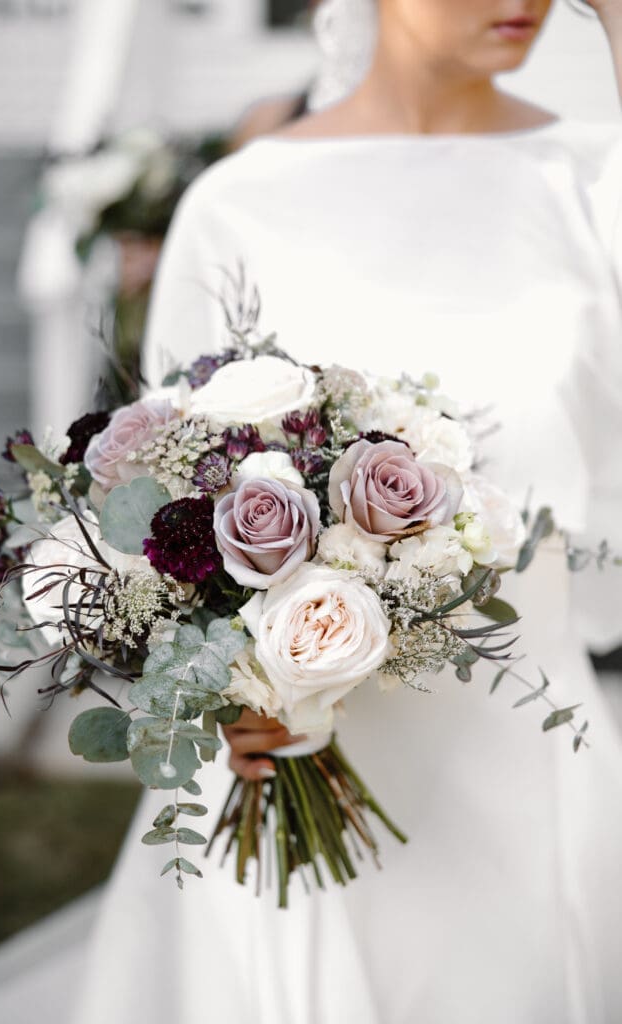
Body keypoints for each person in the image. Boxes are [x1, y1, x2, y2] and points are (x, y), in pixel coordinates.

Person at [72, 2, 622, 1021]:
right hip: (290, 749)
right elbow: (164, 496)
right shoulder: (241, 201)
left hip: (520, 752)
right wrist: (222, 685)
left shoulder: (592, 179)